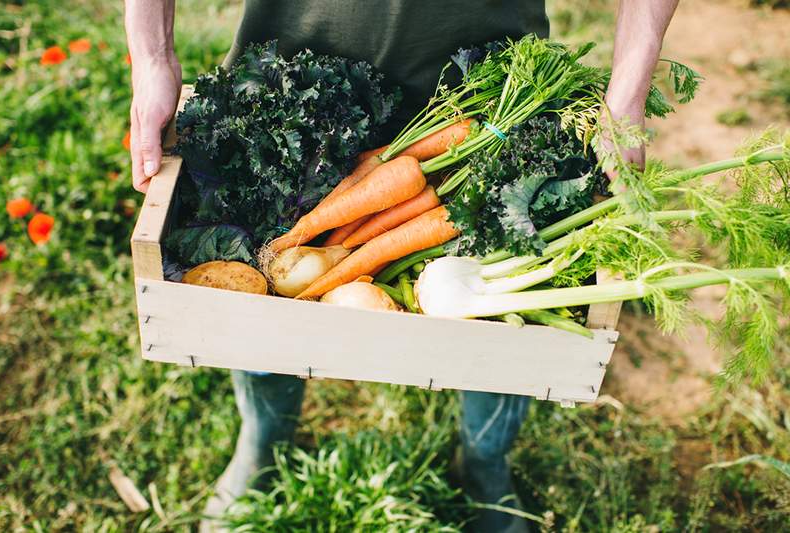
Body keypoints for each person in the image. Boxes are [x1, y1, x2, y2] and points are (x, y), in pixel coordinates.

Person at [125, 1, 678, 531]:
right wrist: (152, 59)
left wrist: (626, 96)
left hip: (488, 100)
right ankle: (266, 435)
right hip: (295, 84)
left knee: (500, 298)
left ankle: (486, 460)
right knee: (264, 275)